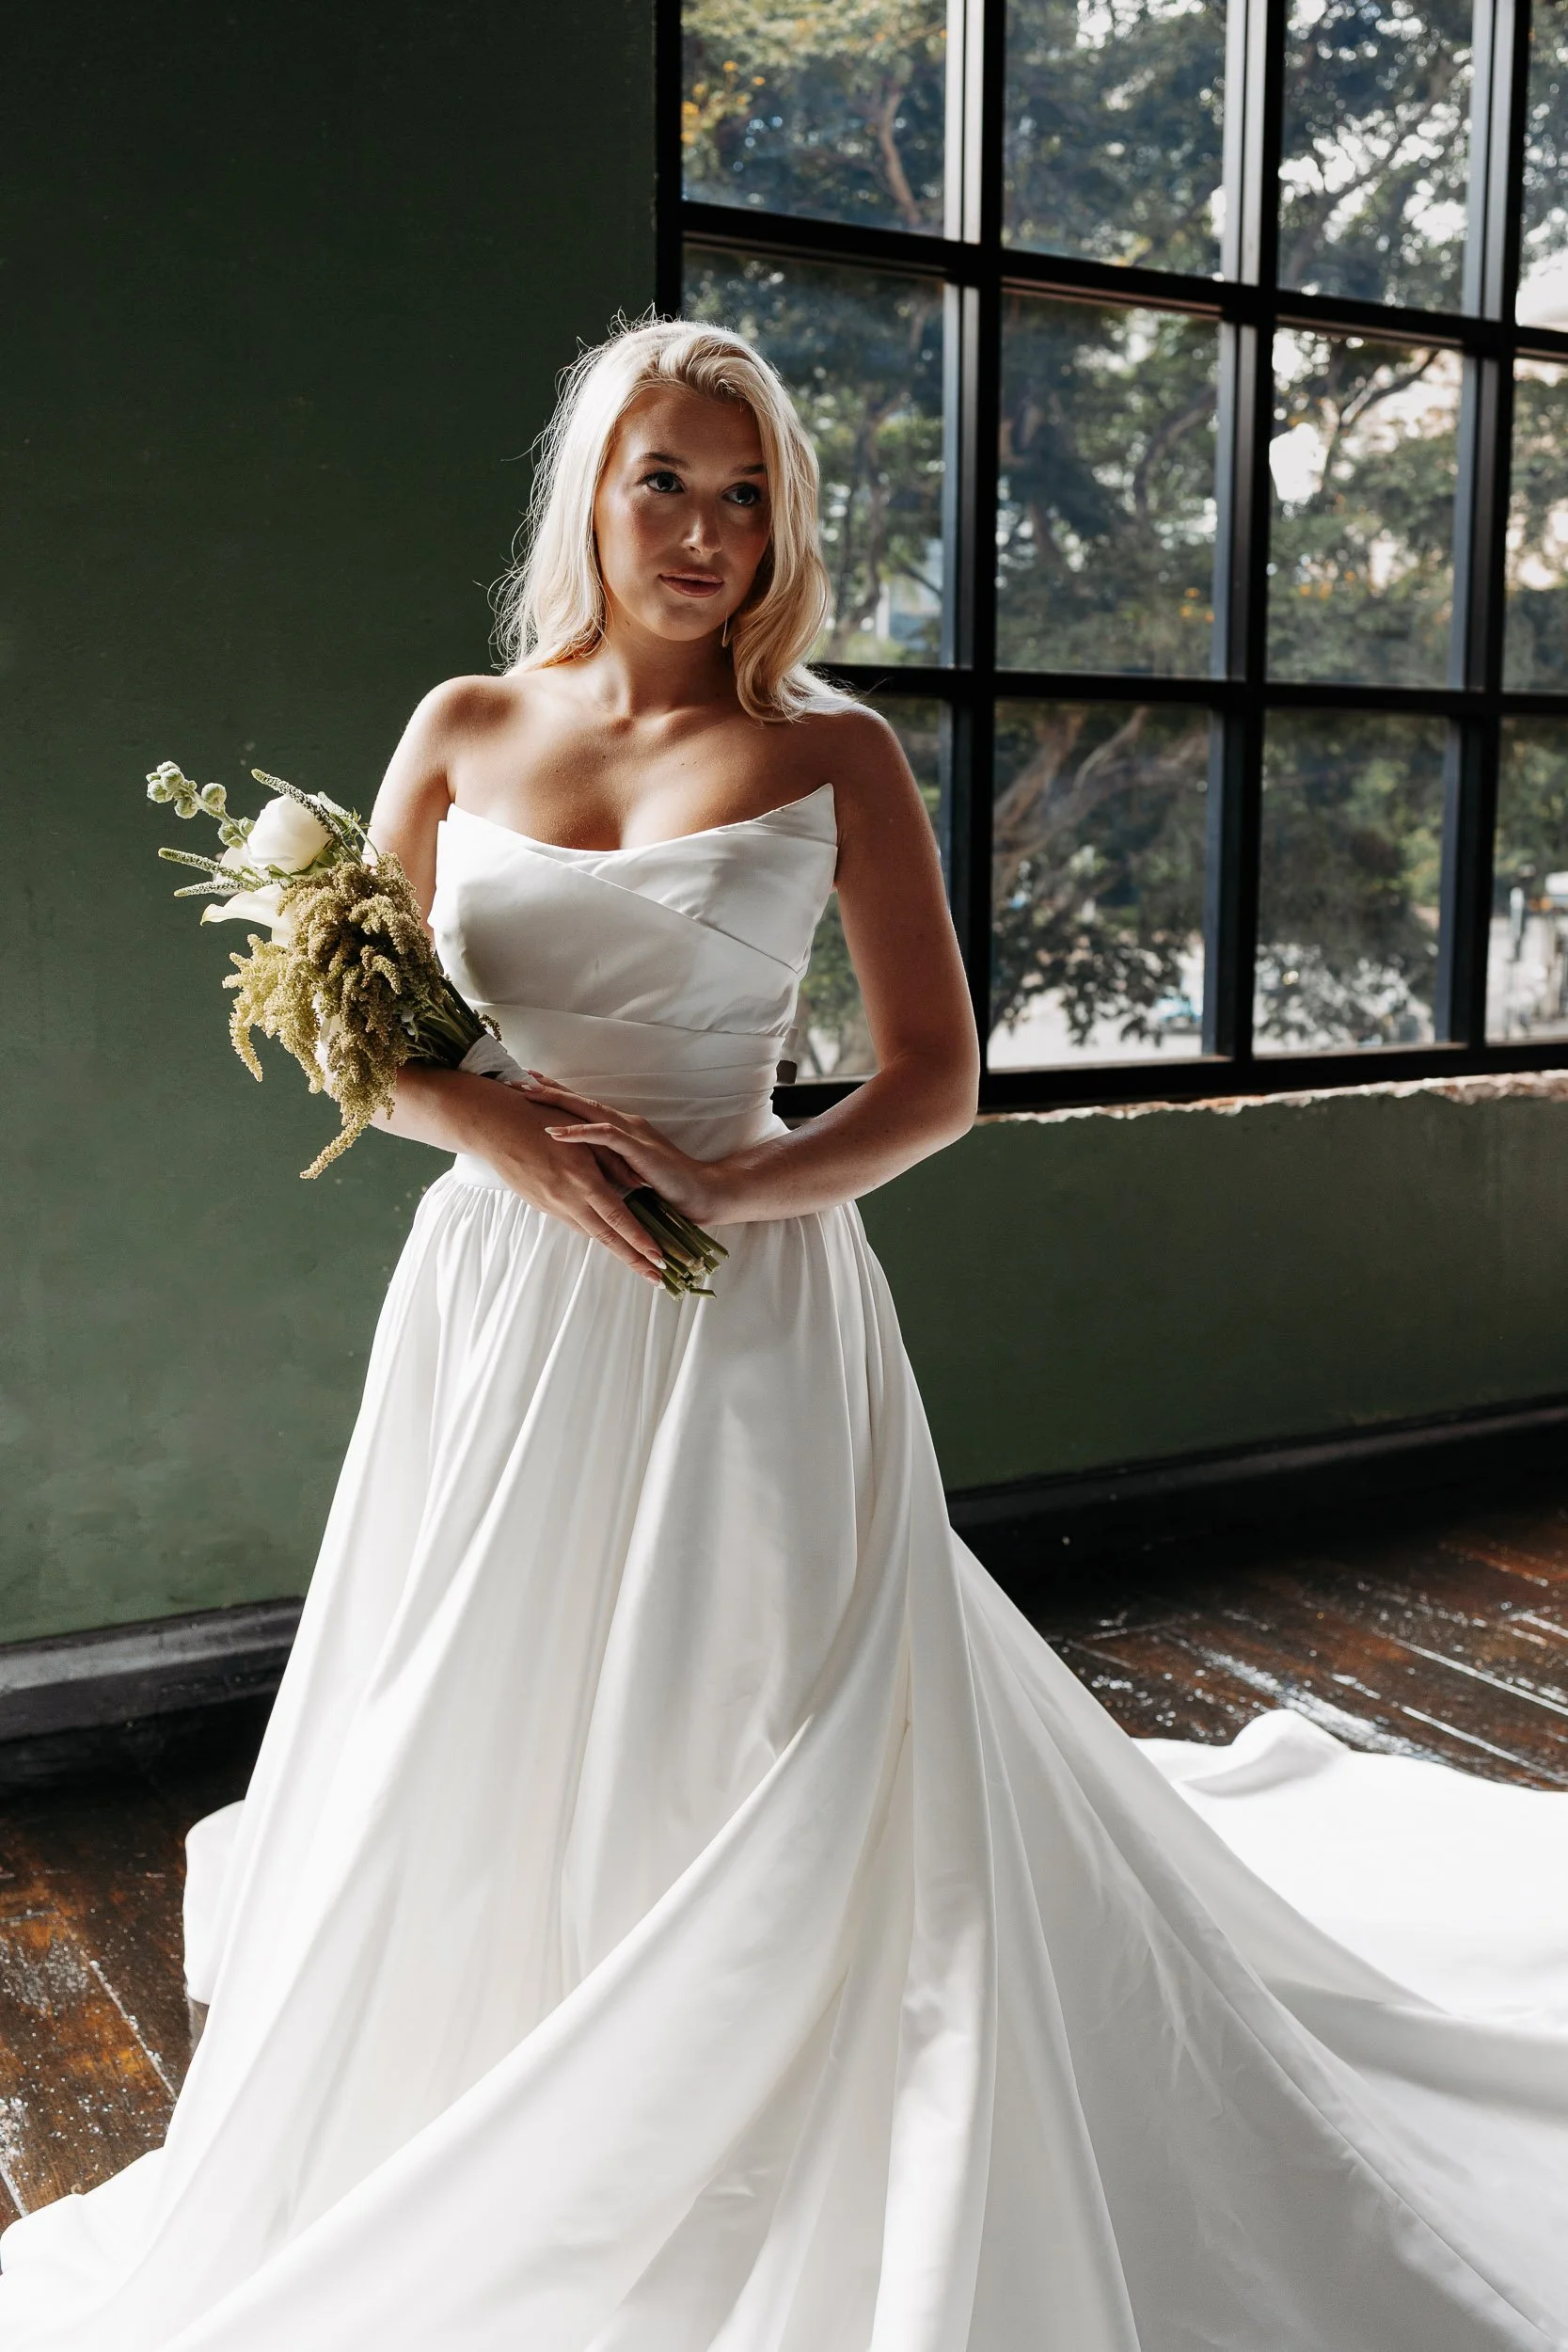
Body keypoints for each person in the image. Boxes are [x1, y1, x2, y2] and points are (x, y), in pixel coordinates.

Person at [4, 317, 1568, 2350]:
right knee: (477, 1700)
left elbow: (930, 1080)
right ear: (591, 486)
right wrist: (483, 1115)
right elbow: (364, 1036)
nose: (705, 531)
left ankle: (757, 2088)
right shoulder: (464, 721)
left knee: (745, 1716)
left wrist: (728, 1188)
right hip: (496, 1305)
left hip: (737, 1297)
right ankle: (501, 2085)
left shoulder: (830, 755)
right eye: (667, 480)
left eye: (748, 499)